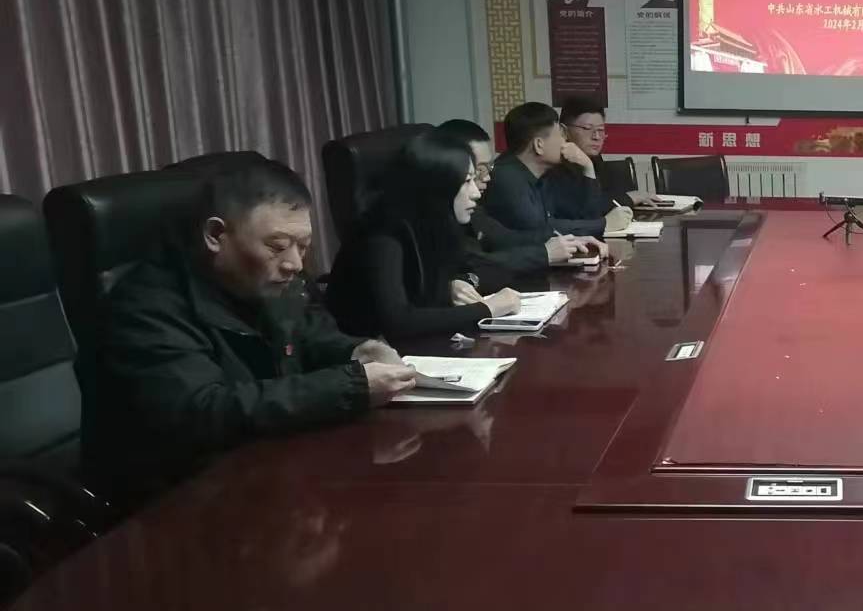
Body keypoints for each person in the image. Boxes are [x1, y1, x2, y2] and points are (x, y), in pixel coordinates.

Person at [86, 158, 418, 509]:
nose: (294, 264)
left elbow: (313, 334)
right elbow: (204, 412)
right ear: (216, 235)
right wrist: (352, 386)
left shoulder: (269, 283)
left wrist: (358, 350)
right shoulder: (146, 308)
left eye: (303, 246)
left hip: (268, 472)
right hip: (179, 500)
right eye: (277, 246)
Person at [326, 129, 524, 341]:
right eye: (467, 181)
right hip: (369, 352)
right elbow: (398, 321)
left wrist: (459, 281)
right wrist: (488, 309)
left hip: (422, 346)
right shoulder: (382, 232)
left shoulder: (438, 223)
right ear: (439, 184)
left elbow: (490, 269)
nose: (476, 193)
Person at [436, 118, 605, 278]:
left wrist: (569, 241)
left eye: (488, 168)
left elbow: (506, 238)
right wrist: (545, 253)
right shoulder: (506, 178)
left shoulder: (475, 211)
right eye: (478, 171)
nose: (487, 177)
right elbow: (476, 265)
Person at [482, 102, 627, 239]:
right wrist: (603, 224)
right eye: (560, 136)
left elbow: (573, 217)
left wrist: (588, 168)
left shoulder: (538, 175)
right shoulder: (506, 178)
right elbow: (540, 229)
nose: (565, 141)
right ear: (539, 145)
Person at [559, 102, 663, 211]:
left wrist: (634, 196)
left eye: (600, 129)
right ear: (564, 131)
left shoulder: (595, 158)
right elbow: (583, 210)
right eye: (587, 128)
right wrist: (628, 199)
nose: (596, 137)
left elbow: (603, 196)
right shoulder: (555, 163)